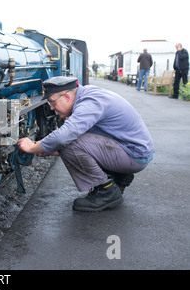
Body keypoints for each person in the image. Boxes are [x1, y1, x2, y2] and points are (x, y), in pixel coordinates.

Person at [17, 76, 154, 212]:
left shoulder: (90, 103)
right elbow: (88, 141)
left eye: (53, 102)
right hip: (130, 150)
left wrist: (33, 147)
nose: (52, 108)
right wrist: (51, 150)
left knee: (68, 141)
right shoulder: (88, 94)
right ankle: (119, 176)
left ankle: (106, 191)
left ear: (66, 96)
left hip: (134, 156)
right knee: (69, 142)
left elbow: (64, 137)